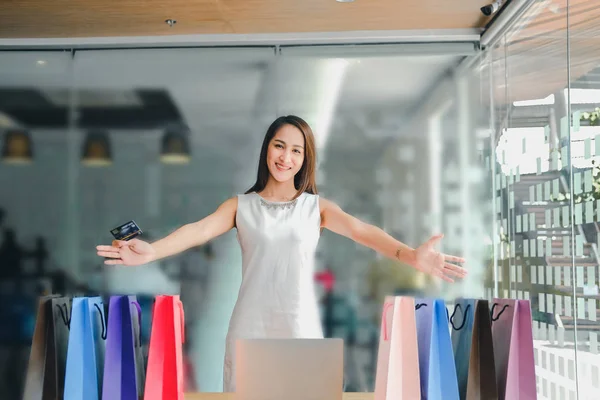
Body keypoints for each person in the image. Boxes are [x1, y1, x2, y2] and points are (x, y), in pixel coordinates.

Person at [96, 115, 467, 392]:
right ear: (267, 148)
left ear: (305, 159)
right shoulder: (240, 206)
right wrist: (150, 252)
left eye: (296, 150)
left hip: (299, 322)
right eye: (279, 145)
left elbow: (363, 232)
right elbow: (198, 230)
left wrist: (410, 256)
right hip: (249, 324)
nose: (285, 157)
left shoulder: (315, 207)